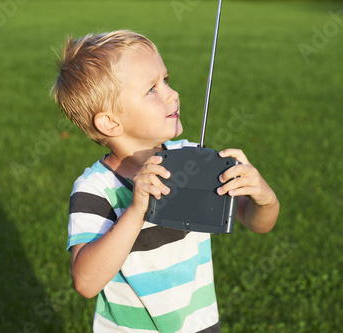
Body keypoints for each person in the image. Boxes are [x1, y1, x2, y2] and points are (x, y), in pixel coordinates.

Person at [52, 30, 279, 332]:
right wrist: (136, 210)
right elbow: (86, 281)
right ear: (110, 122)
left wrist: (264, 197)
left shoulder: (190, 160)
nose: (172, 94)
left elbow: (256, 221)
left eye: (166, 80)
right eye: (151, 89)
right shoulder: (96, 189)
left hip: (199, 325)